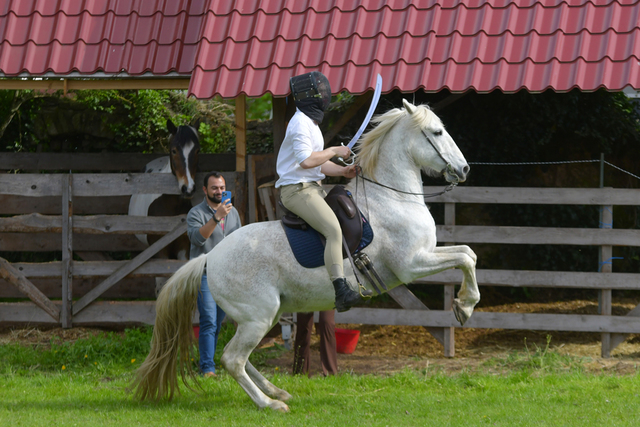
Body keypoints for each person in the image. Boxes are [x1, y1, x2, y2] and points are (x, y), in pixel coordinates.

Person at [275, 71, 372, 312]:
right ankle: (340, 291)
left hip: (312, 188)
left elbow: (318, 163)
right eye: (319, 92)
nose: (324, 96)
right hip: (297, 191)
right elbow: (307, 161)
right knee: (333, 229)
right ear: (309, 97)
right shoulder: (299, 123)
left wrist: (344, 170)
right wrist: (333, 151)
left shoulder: (311, 124)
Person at [187, 172, 242, 377]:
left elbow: (238, 241)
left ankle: (209, 361)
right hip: (205, 273)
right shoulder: (195, 213)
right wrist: (216, 217)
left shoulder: (233, 213)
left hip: (226, 275)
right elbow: (197, 239)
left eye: (222, 188)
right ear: (205, 190)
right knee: (208, 320)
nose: (219, 192)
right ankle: (207, 368)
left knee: (217, 322)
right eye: (214, 188)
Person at [292, 310, 337, 377]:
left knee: (326, 322)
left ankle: (331, 373)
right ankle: (300, 372)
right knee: (303, 324)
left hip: (326, 299)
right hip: (306, 299)